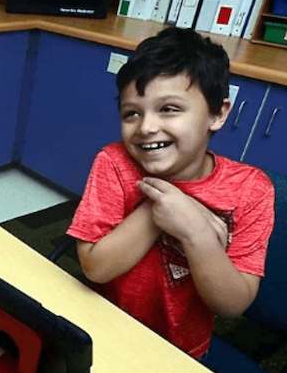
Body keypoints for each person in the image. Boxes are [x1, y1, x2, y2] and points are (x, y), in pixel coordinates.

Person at [66, 27, 275, 359]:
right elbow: (96, 267)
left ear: (218, 114)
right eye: (131, 113)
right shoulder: (114, 162)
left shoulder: (252, 190)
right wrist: (159, 210)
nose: (146, 127)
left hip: (178, 351)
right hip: (101, 326)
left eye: (169, 109)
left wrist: (196, 233)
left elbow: (233, 304)